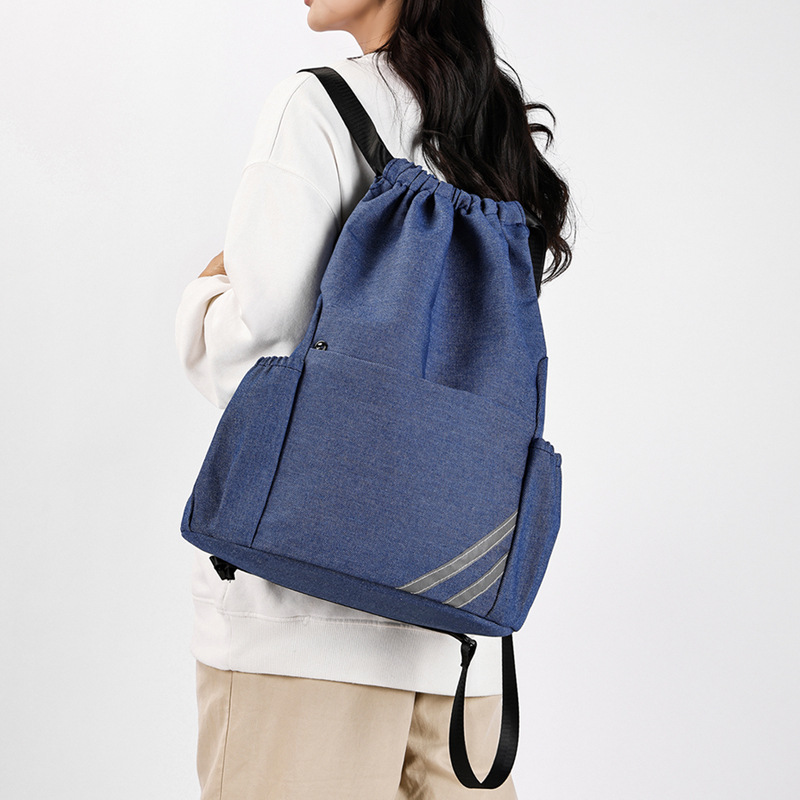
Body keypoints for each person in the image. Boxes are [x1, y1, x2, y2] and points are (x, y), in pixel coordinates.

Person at [175, 1, 573, 797]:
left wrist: (204, 294)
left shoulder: (315, 106)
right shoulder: (492, 124)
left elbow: (254, 352)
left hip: (300, 638)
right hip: (458, 647)